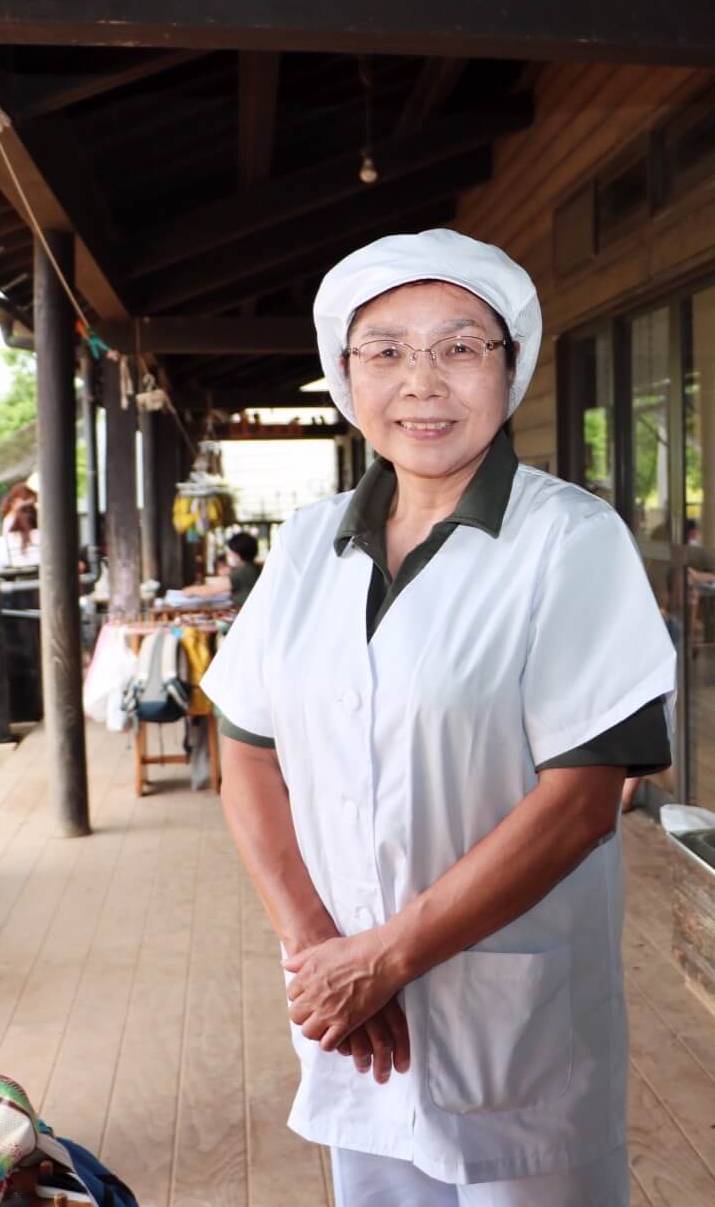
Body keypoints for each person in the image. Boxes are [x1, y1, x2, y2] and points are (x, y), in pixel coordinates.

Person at [200, 229, 672, 1206]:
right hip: (351, 1015)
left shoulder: (571, 542)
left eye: (460, 346)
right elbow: (244, 743)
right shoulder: (304, 544)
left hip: (514, 1029)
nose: (423, 381)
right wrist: (319, 944)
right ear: (345, 373)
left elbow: (584, 799)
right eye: (387, 350)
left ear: (510, 368)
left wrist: (384, 956)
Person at [181, 530, 262, 605]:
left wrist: (191, 590)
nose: (229, 555)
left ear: (238, 554)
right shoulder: (253, 567)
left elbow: (211, 590)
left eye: (231, 552)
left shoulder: (243, 572)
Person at [0, 497, 40, 570]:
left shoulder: (1, 543)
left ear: (14, 520)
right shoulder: (48, 539)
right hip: (45, 581)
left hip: (11, 581)